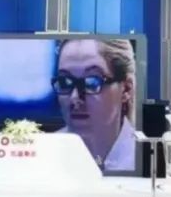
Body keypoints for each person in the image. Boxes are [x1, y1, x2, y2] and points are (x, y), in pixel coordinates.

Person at [53, 37, 136, 172]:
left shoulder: (146, 159)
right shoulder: (45, 153)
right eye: (65, 82)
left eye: (91, 82)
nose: (75, 98)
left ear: (126, 89)